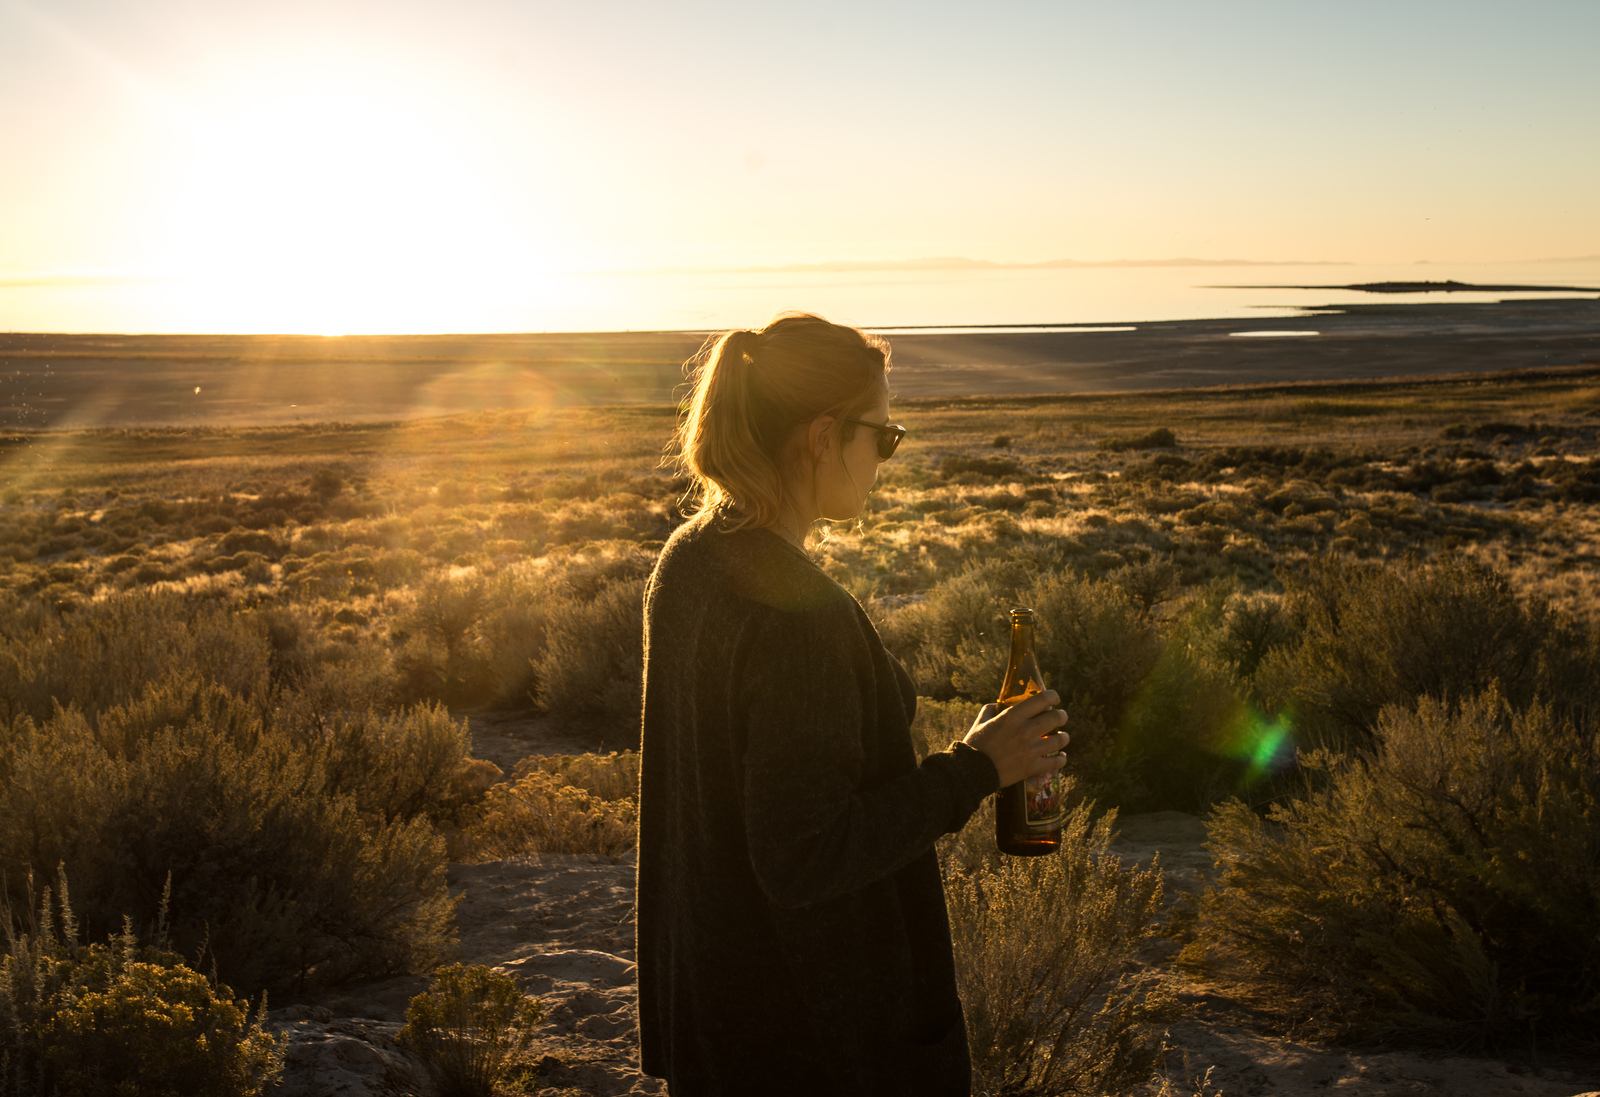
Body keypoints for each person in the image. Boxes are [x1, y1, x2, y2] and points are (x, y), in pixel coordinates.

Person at [633, 312, 1071, 1097]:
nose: (886, 458)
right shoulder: (798, 616)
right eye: (884, 435)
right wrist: (975, 769)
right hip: (814, 1044)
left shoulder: (688, 558)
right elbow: (805, 854)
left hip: (714, 1013)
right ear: (823, 435)